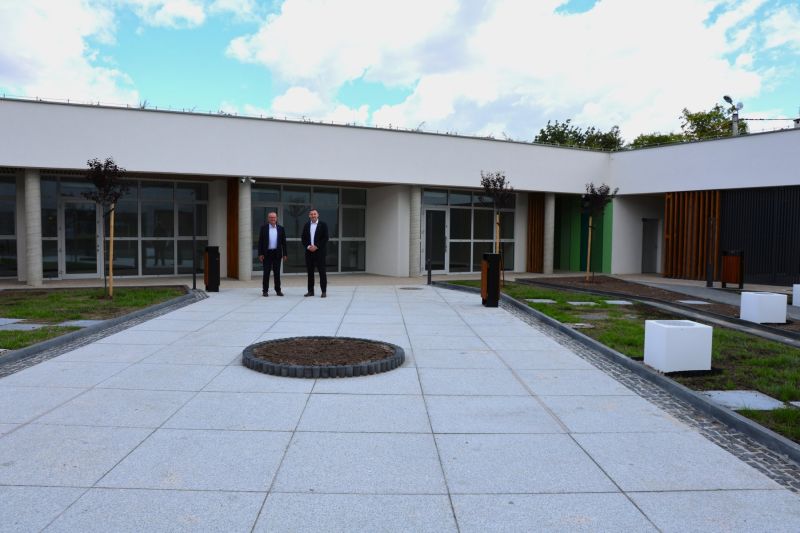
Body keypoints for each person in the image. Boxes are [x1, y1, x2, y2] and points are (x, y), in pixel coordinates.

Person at [257, 211, 287, 297]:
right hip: (267, 254)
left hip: (277, 254)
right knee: (266, 273)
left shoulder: (281, 228)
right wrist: (260, 254)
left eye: (274, 217)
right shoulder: (264, 228)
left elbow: (284, 243)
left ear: (276, 218)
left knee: (277, 273)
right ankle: (265, 291)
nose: (272, 219)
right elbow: (260, 242)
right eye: (271, 217)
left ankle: (278, 290)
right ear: (268, 218)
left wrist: (285, 254)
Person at [301, 208, 329, 297]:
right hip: (309, 252)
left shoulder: (323, 225)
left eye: (314, 214)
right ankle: (310, 291)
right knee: (310, 273)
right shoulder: (306, 225)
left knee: (322, 272)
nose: (313, 215)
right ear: (309, 216)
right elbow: (303, 238)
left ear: (318, 215)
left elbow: (325, 238)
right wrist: (308, 247)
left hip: (320, 252)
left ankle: (323, 291)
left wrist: (316, 246)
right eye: (311, 214)